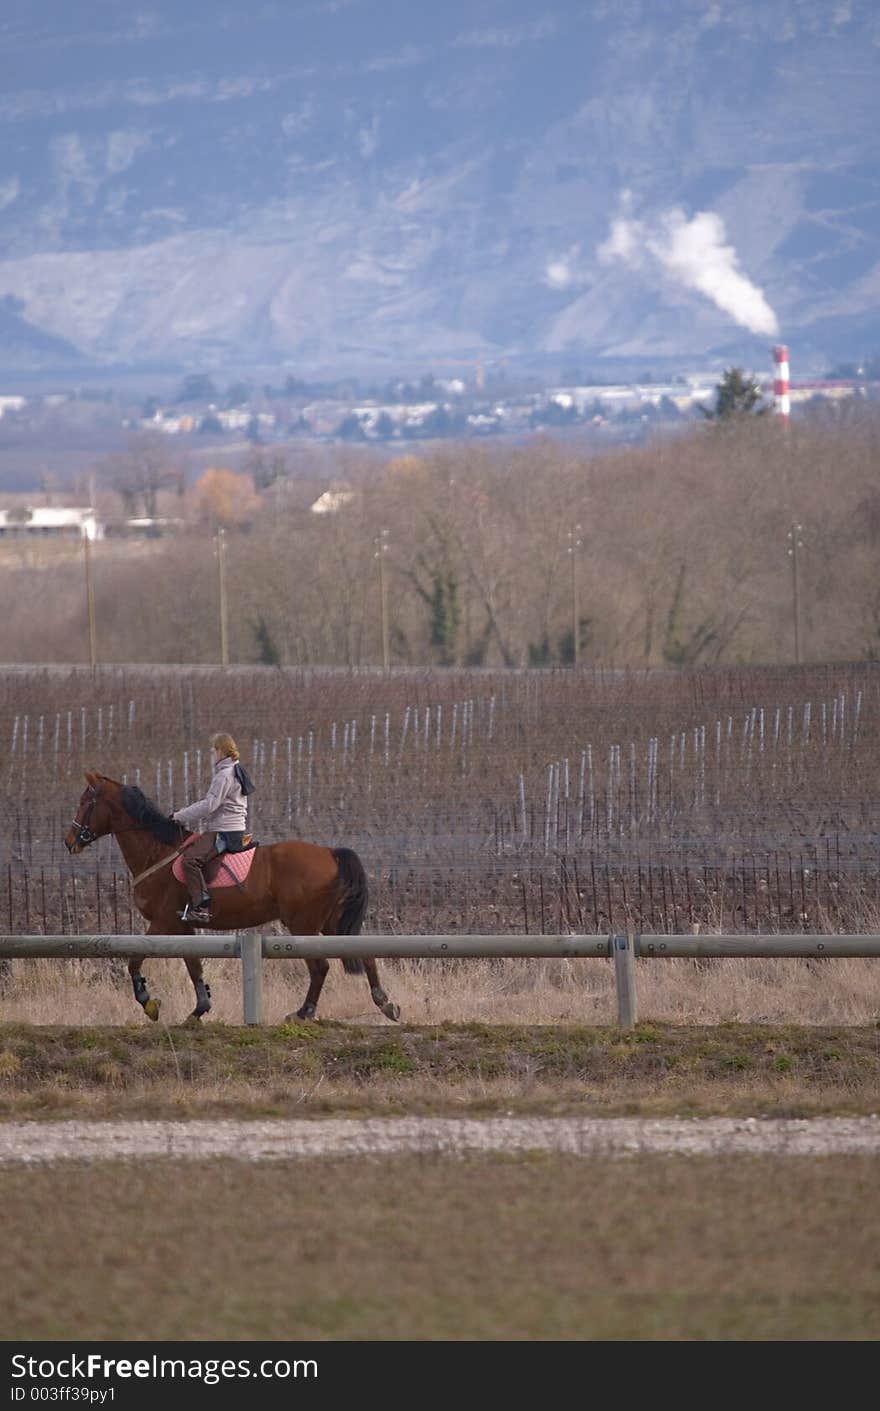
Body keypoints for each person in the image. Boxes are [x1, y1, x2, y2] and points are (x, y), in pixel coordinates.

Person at [171, 732, 255, 926]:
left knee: (190, 860)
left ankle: (201, 906)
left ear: (220, 750)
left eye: (213, 750)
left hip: (223, 830)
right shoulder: (236, 770)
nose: (211, 754)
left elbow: (209, 805)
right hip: (235, 827)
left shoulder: (224, 775)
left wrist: (179, 815)